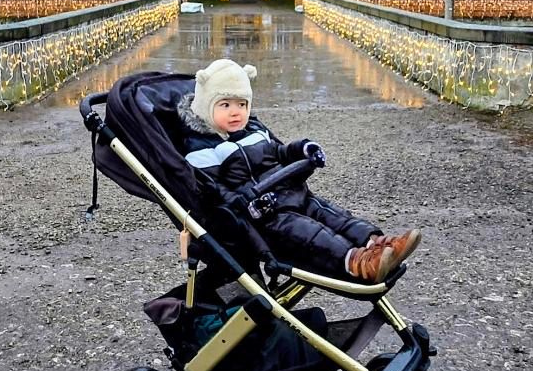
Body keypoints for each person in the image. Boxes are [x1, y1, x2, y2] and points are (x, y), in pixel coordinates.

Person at [178, 58, 421, 283]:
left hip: (291, 192)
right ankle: (356, 262)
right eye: (225, 105)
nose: (235, 111)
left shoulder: (254, 131)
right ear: (205, 107)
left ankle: (376, 243)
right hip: (264, 215)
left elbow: (279, 152)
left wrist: (302, 148)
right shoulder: (201, 150)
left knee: (332, 214)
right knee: (311, 232)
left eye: (242, 104)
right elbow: (213, 191)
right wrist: (245, 203)